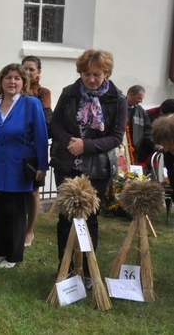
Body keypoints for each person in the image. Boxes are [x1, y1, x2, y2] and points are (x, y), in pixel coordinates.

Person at [49, 49, 126, 284]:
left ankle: (88, 270)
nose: (91, 79)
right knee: (66, 217)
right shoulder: (69, 93)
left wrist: (87, 145)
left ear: (107, 73)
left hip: (97, 168)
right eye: (86, 74)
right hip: (67, 163)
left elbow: (116, 136)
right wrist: (69, 142)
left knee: (89, 219)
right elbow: (55, 124)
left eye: (96, 74)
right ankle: (66, 268)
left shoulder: (118, 99)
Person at [0, 63, 48, 269]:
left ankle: (14, 255)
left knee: (16, 211)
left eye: (17, 78)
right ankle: (0, 252)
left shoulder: (31, 104)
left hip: (19, 166)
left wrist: (42, 166)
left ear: (23, 82)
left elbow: (41, 136)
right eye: (8, 77)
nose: (12, 81)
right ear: (1, 81)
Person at [21, 55, 52, 248]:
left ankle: (29, 230)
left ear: (38, 72)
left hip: (33, 147)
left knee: (33, 191)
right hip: (16, 148)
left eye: (32, 69)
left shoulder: (42, 92)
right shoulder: (13, 87)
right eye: (25, 68)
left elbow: (44, 118)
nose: (27, 72)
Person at [125, 84, 156, 169]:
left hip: (135, 152)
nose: (141, 101)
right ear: (131, 95)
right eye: (139, 98)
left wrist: (155, 145)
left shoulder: (141, 112)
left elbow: (148, 132)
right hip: (121, 150)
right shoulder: (118, 107)